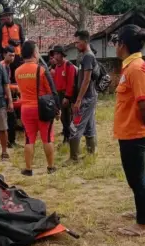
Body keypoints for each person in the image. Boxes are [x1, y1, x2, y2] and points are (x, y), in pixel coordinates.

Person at [113, 24, 145, 236]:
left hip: (134, 133)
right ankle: (144, 212)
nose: (115, 46)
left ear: (122, 44)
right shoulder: (130, 67)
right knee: (139, 176)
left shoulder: (136, 68)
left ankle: (142, 225)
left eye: (115, 42)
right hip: (129, 131)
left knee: (136, 179)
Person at [15, 41, 60, 176]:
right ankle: (51, 167)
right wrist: (57, 109)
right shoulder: (41, 70)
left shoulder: (17, 71)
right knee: (47, 137)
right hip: (42, 109)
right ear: (35, 53)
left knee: (29, 139)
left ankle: (28, 169)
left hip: (25, 109)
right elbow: (52, 91)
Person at [65, 30, 98, 165]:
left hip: (86, 98)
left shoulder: (88, 57)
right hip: (89, 97)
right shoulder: (85, 56)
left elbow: (86, 80)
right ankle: (91, 153)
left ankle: (74, 158)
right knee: (89, 125)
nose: (76, 44)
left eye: (78, 42)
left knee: (75, 125)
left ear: (85, 42)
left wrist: (78, 100)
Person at [53, 45, 76, 144]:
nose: (55, 56)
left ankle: (69, 138)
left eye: (58, 54)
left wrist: (67, 96)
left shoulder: (68, 65)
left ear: (62, 55)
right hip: (59, 94)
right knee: (63, 118)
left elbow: (71, 83)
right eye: (55, 54)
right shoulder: (57, 67)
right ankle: (66, 137)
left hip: (66, 95)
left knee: (67, 117)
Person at [0, 7, 25, 83]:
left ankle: (17, 92)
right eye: (6, 15)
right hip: (6, 55)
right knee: (6, 75)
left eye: (9, 15)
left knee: (17, 75)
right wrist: (0, 55)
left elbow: (23, 41)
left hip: (17, 55)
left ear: (12, 16)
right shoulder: (1, 28)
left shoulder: (18, 26)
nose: (8, 17)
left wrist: (23, 54)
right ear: (4, 17)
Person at [0, 46, 20, 148]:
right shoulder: (2, 66)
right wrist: (14, 87)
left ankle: (10, 141)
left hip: (6, 96)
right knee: (11, 119)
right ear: (4, 55)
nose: (12, 58)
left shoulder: (7, 66)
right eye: (10, 55)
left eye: (13, 55)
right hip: (3, 97)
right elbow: (4, 85)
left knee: (11, 119)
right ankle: (10, 142)